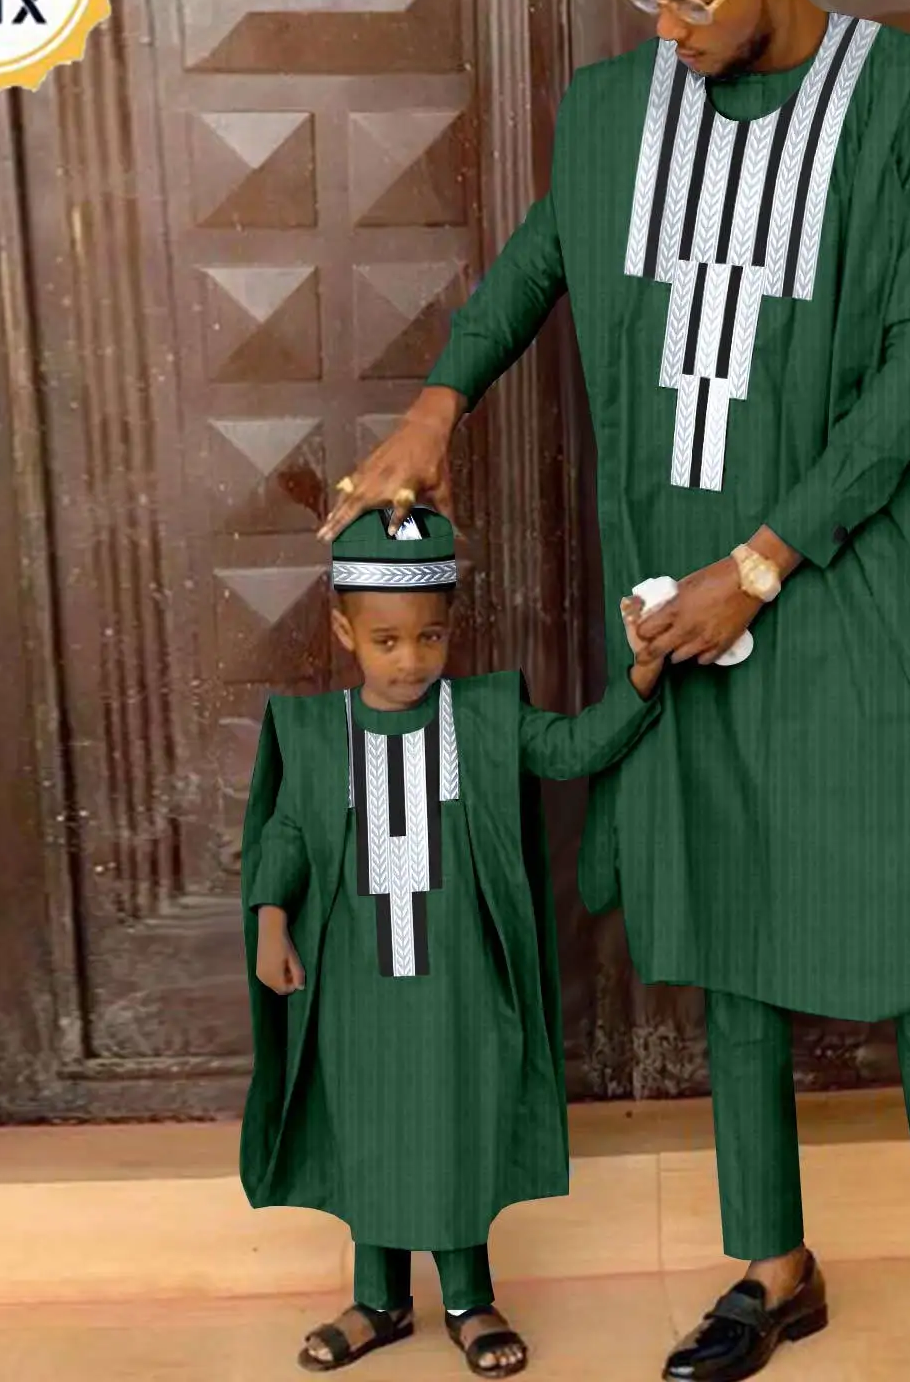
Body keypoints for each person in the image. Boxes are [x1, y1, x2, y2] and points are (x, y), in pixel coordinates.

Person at [320, 0, 910, 1382]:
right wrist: (438, 405)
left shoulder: (908, 99)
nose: (663, 28)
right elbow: (542, 261)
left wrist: (765, 562)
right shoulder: (621, 110)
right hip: (679, 588)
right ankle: (769, 1269)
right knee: (727, 916)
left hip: (849, 570)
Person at [240, 504, 665, 1376]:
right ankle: (379, 1299)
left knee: (455, 1120)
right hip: (354, 979)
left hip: (460, 979)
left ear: (450, 629)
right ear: (345, 633)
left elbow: (574, 749)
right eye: (387, 641)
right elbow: (286, 834)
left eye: (429, 638)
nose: (411, 660)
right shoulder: (320, 734)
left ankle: (470, 1298)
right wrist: (270, 921)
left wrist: (641, 677)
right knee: (367, 1124)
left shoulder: (480, 716)